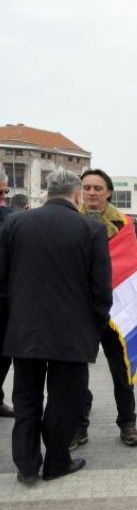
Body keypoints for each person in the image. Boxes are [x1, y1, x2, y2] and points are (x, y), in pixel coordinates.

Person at [0, 170, 112, 484]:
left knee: (26, 399)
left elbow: (3, 282)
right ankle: (56, 462)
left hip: (24, 330)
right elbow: (101, 288)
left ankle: (26, 465)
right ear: (77, 195)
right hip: (72, 333)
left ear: (48, 192)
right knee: (65, 399)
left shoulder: (14, 224)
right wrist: (97, 326)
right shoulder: (91, 229)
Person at [74, 168, 137, 449]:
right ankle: (79, 426)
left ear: (109, 192)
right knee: (75, 373)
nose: (92, 193)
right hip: (79, 308)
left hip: (116, 310)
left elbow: (130, 264)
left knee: (121, 370)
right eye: (87, 187)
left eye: (98, 188)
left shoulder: (124, 224)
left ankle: (127, 423)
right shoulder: (70, 220)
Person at [0, 179, 23, 418]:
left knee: (5, 353)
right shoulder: (10, 218)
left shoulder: (10, 218)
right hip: (6, 297)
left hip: (8, 297)